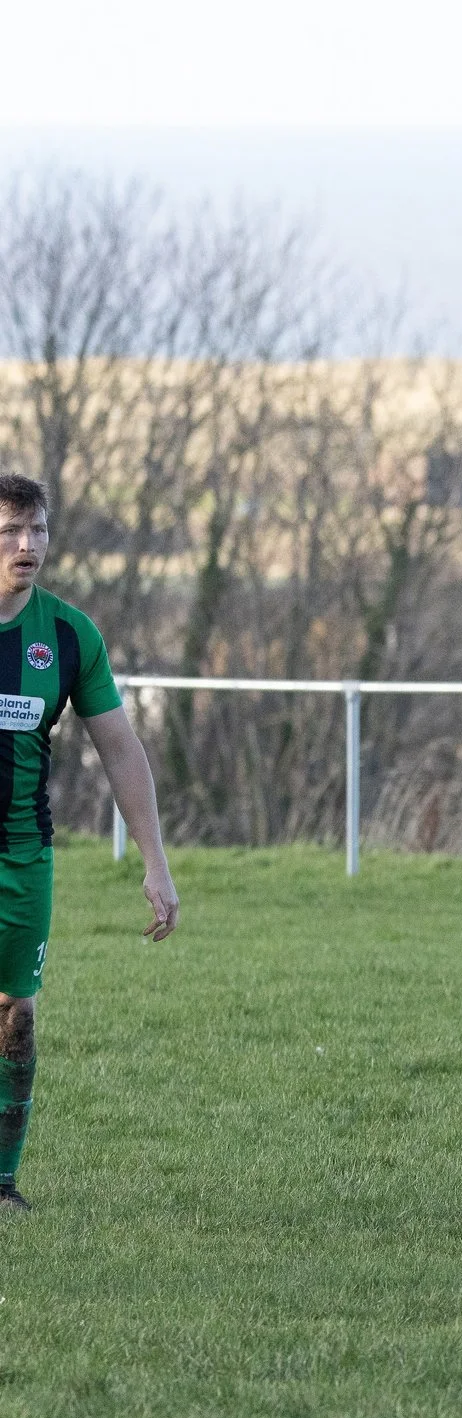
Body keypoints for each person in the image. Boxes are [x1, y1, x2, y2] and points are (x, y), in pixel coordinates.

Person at [0, 474, 181, 1211]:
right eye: (12, 530)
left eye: (38, 530)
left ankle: (3, 1183)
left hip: (22, 857)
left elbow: (121, 749)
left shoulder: (68, 635)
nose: (28, 545)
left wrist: (156, 861)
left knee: (17, 1015)